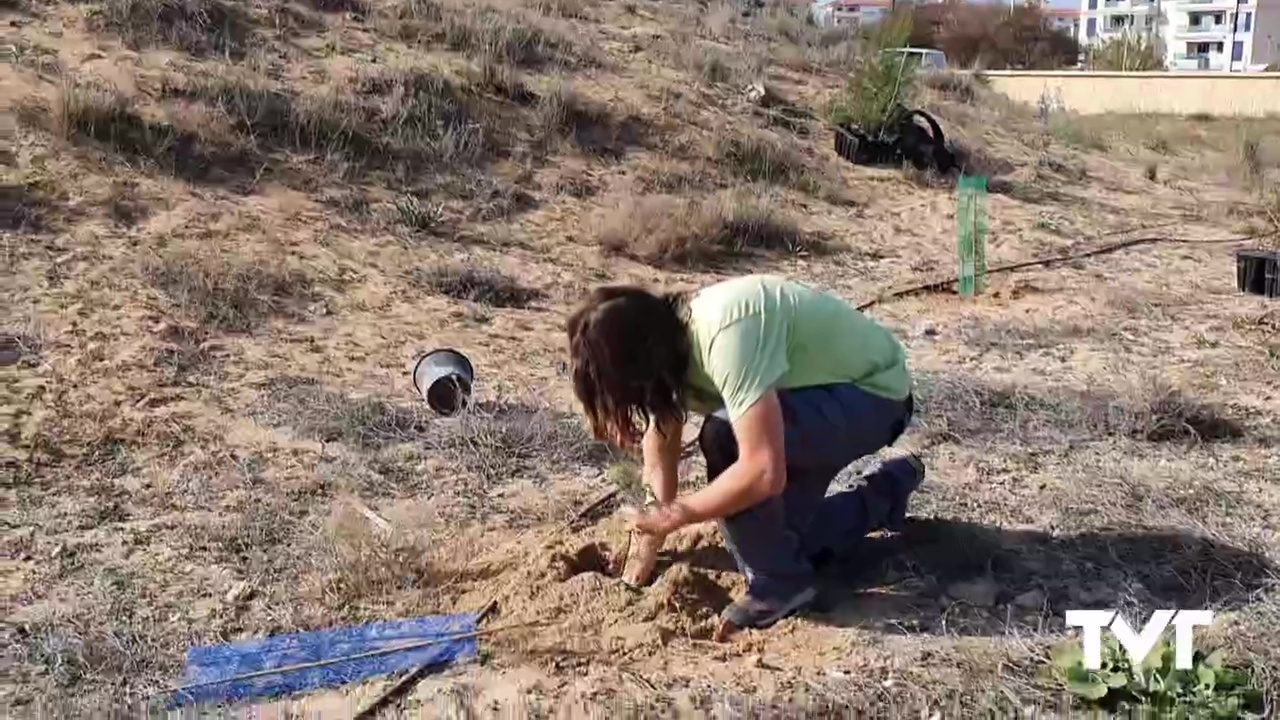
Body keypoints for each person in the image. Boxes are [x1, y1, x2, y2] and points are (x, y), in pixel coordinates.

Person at [565, 274, 924, 640]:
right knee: (785, 542)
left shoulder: (725, 338)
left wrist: (678, 515)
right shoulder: (665, 349)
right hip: (811, 401)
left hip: (874, 395)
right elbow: (661, 441)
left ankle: (779, 584)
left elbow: (763, 470)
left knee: (723, 436)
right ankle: (889, 489)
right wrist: (650, 529)